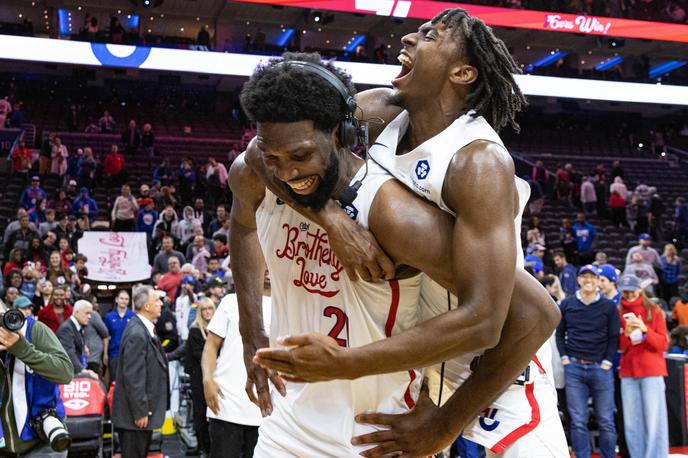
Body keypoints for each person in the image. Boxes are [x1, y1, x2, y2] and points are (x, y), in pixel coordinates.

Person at [235, 47, 563, 456]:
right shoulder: (259, 173)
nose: (285, 173)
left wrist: (443, 426)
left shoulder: (397, 212)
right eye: (273, 158)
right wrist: (252, 337)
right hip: (283, 432)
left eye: (301, 156)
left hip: (372, 437)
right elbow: (244, 223)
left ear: (342, 134)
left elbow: (534, 315)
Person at [556, 265, 620, 458]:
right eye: (584, 276)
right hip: (574, 367)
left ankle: (608, 455)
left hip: (601, 367)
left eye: (592, 277)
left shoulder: (609, 306)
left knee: (606, 420)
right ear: (578, 280)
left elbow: (613, 337)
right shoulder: (567, 304)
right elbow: (560, 335)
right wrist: (565, 359)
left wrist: (607, 361)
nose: (588, 280)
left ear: (598, 280)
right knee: (577, 420)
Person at [0, 298, 73, 456]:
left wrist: (22, 349)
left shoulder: (34, 330)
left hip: (41, 441)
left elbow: (65, 373)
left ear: (7, 314)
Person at [202, 291, 271, 458]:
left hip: (267, 410)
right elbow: (211, 345)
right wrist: (207, 379)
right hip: (226, 403)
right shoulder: (231, 301)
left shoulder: (286, 304)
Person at [112, 286, 169, 458]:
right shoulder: (137, 332)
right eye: (156, 300)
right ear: (146, 306)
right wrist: (140, 411)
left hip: (138, 415)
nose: (161, 303)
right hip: (134, 417)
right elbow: (134, 376)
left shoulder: (143, 328)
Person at [617, 274, 669, 458]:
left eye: (631, 289)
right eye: (625, 290)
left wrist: (646, 331)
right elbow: (620, 347)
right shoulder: (618, 311)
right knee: (632, 423)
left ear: (640, 289)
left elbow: (663, 344)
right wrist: (628, 334)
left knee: (654, 421)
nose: (628, 294)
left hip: (652, 371)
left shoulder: (654, 310)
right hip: (628, 372)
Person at [186, 297, 215, 456]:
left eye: (210, 308)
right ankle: (202, 446)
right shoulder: (195, 330)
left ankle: (211, 446)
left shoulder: (217, 329)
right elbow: (198, 354)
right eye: (204, 309)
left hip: (215, 376)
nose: (207, 312)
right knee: (200, 413)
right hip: (199, 377)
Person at [56, 299, 98, 379]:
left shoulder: (78, 326)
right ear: (77, 312)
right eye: (87, 313)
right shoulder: (67, 328)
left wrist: (83, 347)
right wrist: (82, 371)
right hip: (67, 374)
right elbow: (68, 352)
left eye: (90, 314)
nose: (89, 317)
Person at [105, 289, 135, 383]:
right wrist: (105, 354)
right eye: (121, 298)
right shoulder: (109, 317)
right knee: (114, 381)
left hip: (129, 354)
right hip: (114, 354)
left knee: (128, 381)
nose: (124, 301)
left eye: (126, 299)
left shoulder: (133, 316)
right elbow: (106, 336)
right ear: (116, 300)